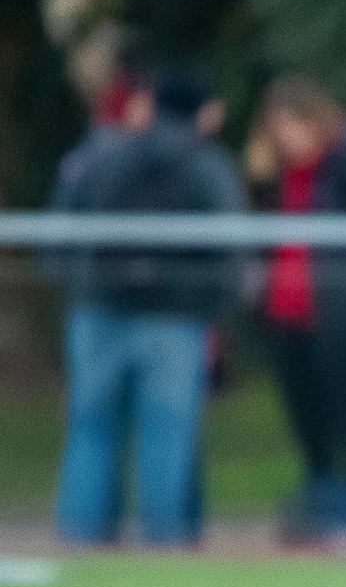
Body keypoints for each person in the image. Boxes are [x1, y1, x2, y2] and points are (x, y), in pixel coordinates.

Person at [46, 65, 243, 547]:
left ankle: (81, 542)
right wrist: (217, 310)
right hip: (175, 317)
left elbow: (60, 231)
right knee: (168, 430)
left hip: (97, 309)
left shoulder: (102, 155)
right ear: (200, 111)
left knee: (91, 426)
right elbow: (230, 248)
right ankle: (165, 545)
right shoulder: (207, 165)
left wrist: (79, 286)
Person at [245, 75, 346, 538]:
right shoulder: (276, 173)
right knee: (306, 415)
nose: (284, 139)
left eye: (290, 126)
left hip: (344, 309)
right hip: (287, 310)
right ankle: (324, 507)